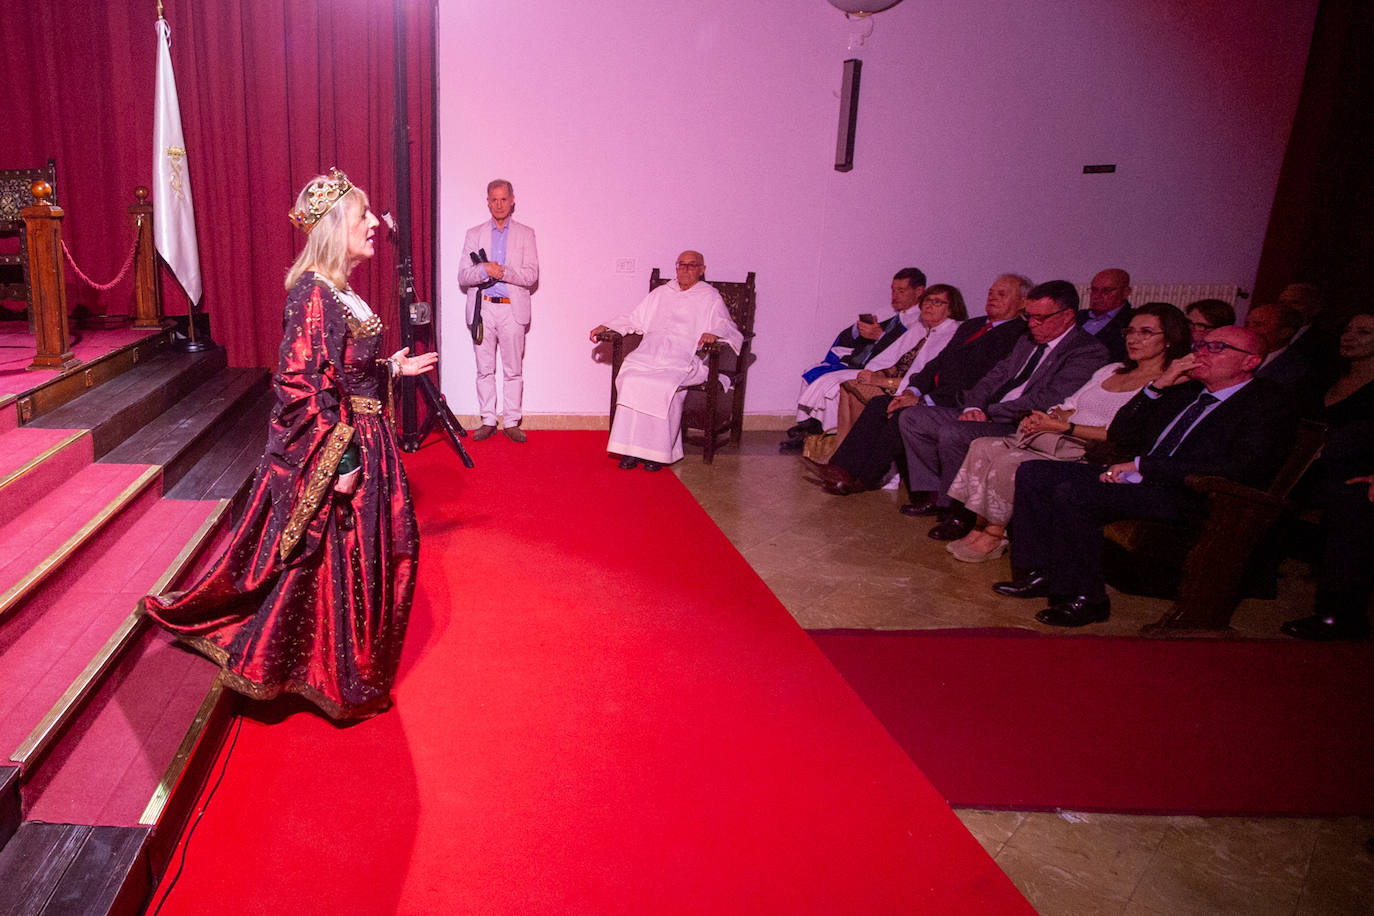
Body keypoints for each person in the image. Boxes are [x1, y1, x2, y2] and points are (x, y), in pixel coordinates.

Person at [142, 169, 438, 719]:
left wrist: (387, 368)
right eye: (363, 216)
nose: (376, 224)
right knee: (325, 565)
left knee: (371, 558)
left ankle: (337, 666)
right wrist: (342, 459)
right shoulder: (313, 293)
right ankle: (315, 670)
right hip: (346, 445)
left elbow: (340, 368)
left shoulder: (339, 290)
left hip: (363, 435)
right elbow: (301, 386)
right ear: (334, 227)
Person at [996, 325, 1298, 628]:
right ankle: (1039, 573)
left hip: (1194, 493)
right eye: (1201, 345)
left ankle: (1085, 598)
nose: (1201, 353)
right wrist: (1158, 386)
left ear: (1250, 362)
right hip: (1145, 479)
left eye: (1217, 347)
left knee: (1074, 493)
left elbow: (1244, 467)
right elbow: (1122, 432)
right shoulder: (1184, 390)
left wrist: (1145, 466)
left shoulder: (1267, 403)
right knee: (1034, 472)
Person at [945, 303, 1191, 561]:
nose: (1134, 339)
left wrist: (1062, 426)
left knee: (1008, 462)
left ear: (1169, 339)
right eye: (1130, 331)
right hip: (1057, 436)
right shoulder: (1111, 370)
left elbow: (1125, 432)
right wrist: (1045, 418)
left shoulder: (1164, 384)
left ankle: (996, 534)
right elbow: (1070, 404)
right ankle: (979, 526)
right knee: (982, 445)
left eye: (1146, 332)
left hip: (1089, 449)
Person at [898, 280, 1111, 538]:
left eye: (1040, 318)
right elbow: (992, 378)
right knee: (913, 418)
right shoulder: (1027, 341)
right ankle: (934, 494)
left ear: (1067, 316)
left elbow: (1049, 398)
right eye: (1029, 316)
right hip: (985, 412)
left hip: (1021, 423)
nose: (1032, 324)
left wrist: (989, 412)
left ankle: (959, 512)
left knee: (954, 433)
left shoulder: (1086, 351)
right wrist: (975, 405)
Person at [805, 274, 1030, 494]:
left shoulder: (1018, 334)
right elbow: (936, 363)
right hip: (932, 392)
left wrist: (924, 399)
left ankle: (866, 478)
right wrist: (913, 389)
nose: (992, 298)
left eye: (1002, 294)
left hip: (961, 400)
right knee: (879, 405)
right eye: (991, 292)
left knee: (901, 416)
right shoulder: (973, 325)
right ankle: (841, 469)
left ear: (1022, 302)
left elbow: (979, 379)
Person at [590, 250, 743, 470]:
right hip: (648, 355)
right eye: (681, 264)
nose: (685, 269)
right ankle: (630, 450)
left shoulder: (709, 297)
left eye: (692, 265)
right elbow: (635, 318)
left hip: (682, 359)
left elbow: (726, 325)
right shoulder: (662, 292)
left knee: (663, 385)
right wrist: (607, 325)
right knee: (631, 379)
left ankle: (656, 454)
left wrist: (714, 333)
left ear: (702, 270)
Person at [1282, 311, 1374, 640]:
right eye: (1347, 329)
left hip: (1357, 476)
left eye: (1363, 332)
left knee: (1352, 502)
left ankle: (1341, 615)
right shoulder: (1326, 378)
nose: (1349, 337)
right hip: (1309, 469)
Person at [780, 267, 927, 452]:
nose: (894, 296)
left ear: (919, 291)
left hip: (881, 370)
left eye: (901, 291)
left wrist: (880, 337)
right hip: (862, 362)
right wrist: (860, 329)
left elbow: (902, 354)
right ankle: (809, 427)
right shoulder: (888, 312)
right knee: (812, 372)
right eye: (893, 290)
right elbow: (848, 335)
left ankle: (828, 434)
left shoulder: (920, 323)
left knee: (832, 386)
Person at [458, 179, 539, 442]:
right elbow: (463, 276)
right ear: (487, 201)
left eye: (504, 199)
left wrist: (502, 271)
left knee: (513, 369)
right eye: (494, 199)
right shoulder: (474, 233)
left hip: (512, 311)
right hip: (483, 311)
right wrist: (484, 270)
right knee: (484, 369)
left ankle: (512, 421)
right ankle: (488, 419)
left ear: (513, 200)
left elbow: (531, 275)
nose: (499, 204)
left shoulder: (526, 233)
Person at [833, 284, 967, 444]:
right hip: (891, 380)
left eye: (937, 302)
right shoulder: (920, 328)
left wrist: (877, 381)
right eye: (927, 300)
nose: (929, 305)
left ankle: (855, 451)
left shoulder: (952, 334)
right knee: (847, 386)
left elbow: (922, 376)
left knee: (857, 391)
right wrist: (872, 373)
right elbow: (891, 357)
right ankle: (840, 450)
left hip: (911, 390)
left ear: (951, 309)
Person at [1078, 268, 1134, 361]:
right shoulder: (1078, 317)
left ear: (1125, 292)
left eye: (1107, 291)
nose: (1097, 296)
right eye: (1094, 290)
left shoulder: (1131, 322)